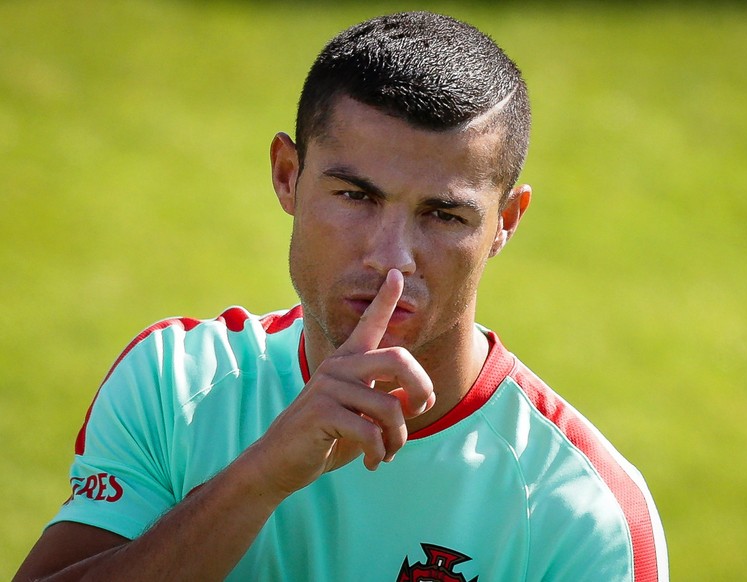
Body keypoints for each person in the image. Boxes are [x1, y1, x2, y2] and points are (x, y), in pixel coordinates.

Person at [15, 11, 668, 582]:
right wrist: (255, 482)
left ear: (505, 223)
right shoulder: (175, 383)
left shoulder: (583, 509)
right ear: (287, 175)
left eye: (443, 215)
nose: (390, 258)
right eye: (356, 197)